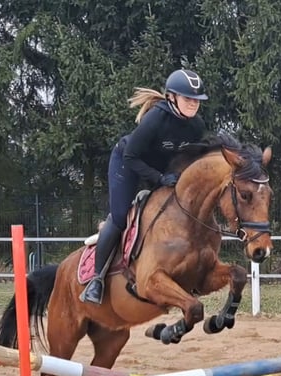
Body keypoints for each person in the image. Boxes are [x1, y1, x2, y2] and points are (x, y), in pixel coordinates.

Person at [80, 69, 209, 304]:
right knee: (119, 217)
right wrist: (159, 178)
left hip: (162, 169)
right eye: (188, 98)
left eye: (197, 100)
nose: (193, 104)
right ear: (172, 97)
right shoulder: (155, 119)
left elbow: (193, 157)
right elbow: (131, 157)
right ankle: (96, 280)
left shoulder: (197, 125)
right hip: (128, 163)